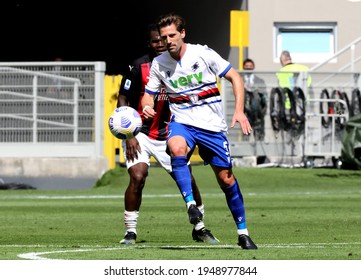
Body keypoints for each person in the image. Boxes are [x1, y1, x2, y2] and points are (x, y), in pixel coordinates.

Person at [142, 13, 257, 249]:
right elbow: (149, 95)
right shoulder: (159, 63)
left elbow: (235, 77)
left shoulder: (203, 54)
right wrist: (146, 106)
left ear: (182, 33)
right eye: (164, 37)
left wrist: (239, 111)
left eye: (172, 35)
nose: (168, 40)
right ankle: (191, 205)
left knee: (226, 180)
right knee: (176, 148)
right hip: (182, 123)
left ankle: (243, 232)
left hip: (212, 127)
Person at [117, 23, 218, 245]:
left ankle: (200, 228)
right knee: (137, 176)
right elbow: (122, 99)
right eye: (155, 41)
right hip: (140, 133)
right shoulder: (138, 67)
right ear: (150, 43)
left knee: (188, 181)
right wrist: (129, 135)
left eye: (162, 40)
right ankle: (130, 232)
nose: (160, 44)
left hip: (171, 132)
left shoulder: (182, 63)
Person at [242, 58, 267, 141]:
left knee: (259, 135)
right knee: (245, 134)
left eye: (250, 66)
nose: (248, 68)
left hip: (257, 113)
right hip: (245, 113)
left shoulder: (260, 80)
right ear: (243, 67)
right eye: (246, 66)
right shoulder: (239, 80)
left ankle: (259, 152)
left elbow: (264, 95)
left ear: (253, 67)